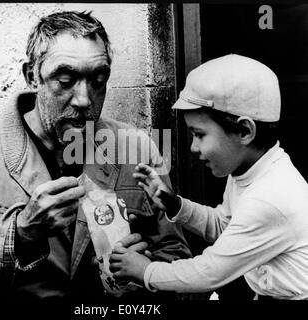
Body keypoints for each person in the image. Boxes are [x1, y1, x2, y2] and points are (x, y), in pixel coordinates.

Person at [0, 11, 191, 299]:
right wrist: (20, 234)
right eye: (66, 79)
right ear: (32, 77)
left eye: (98, 80)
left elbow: (178, 261)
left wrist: (144, 274)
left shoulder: (138, 147)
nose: (84, 100)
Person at [109, 54, 308, 300]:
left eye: (200, 134)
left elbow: (207, 273)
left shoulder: (270, 197)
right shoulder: (250, 171)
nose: (193, 147)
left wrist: (145, 271)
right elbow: (225, 227)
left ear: (244, 131)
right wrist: (176, 204)